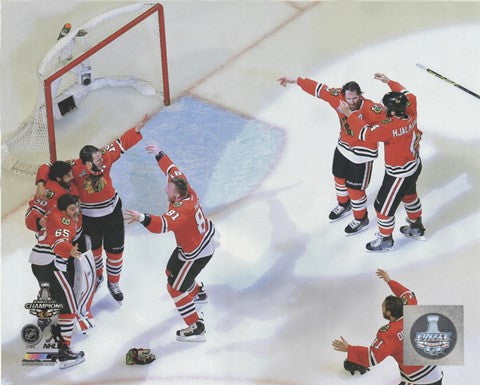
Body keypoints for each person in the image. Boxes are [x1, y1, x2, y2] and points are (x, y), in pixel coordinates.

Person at [35, 114, 150, 302]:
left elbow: (120, 144)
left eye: (100, 156)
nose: (102, 160)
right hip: (89, 219)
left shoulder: (105, 157)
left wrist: (136, 130)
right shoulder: (73, 168)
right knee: (95, 251)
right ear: (87, 163)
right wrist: (40, 183)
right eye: (97, 159)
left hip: (112, 214)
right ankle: (97, 277)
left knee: (115, 252)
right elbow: (47, 166)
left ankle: (114, 283)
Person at [124, 144, 220, 342]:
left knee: (174, 288)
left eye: (168, 188)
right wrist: (160, 154)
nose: (165, 188)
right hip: (200, 241)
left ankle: (196, 327)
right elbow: (171, 169)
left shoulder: (180, 213)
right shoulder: (184, 186)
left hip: (196, 253)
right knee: (170, 273)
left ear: (176, 195)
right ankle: (197, 293)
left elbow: (161, 225)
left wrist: (141, 217)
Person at [278, 76, 386, 235]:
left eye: (355, 97)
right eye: (349, 98)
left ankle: (361, 218)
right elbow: (318, 89)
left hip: (362, 155)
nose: (351, 101)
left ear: (360, 95)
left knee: (355, 190)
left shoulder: (371, 108)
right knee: (339, 179)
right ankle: (343, 204)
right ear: (343, 95)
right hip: (343, 148)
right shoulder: (338, 97)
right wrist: (295, 80)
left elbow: (390, 123)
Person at [338, 73, 425, 252]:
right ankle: (416, 227)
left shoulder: (388, 127)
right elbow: (410, 95)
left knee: (382, 208)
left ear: (392, 111)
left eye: (385, 106)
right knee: (409, 196)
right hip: (414, 165)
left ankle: (385, 240)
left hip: (399, 173)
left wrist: (349, 114)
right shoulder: (410, 110)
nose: (382, 108)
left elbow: (365, 134)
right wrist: (389, 82)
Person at [332, 269, 443, 384]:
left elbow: (372, 357)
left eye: (383, 307)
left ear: (389, 313)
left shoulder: (388, 334)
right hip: (434, 367)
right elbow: (407, 294)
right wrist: (389, 280)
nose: (382, 308)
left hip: (421, 377)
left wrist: (349, 349)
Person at [29, 194, 85, 369]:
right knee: (69, 308)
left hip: (38, 264)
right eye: (71, 208)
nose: (75, 210)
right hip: (51, 265)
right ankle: (65, 354)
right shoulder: (65, 222)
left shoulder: (52, 212)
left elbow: (33, 214)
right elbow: (59, 242)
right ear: (63, 210)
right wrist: (70, 251)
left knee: (59, 303)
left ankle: (57, 337)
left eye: (76, 206)